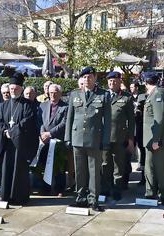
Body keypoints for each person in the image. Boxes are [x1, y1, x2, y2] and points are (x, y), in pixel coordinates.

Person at [64, 66, 111, 211]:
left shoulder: (103, 95)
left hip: (94, 139)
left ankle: (93, 199)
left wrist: (105, 140)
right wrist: (67, 137)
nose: (87, 79)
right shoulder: (74, 94)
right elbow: (69, 118)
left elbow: (107, 121)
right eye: (84, 77)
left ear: (95, 78)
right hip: (77, 137)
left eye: (90, 77)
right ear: (81, 79)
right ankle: (80, 197)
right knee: (79, 170)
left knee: (94, 171)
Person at [0, 73, 38, 205]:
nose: (13, 91)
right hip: (6, 144)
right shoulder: (1, 106)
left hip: (20, 145)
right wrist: (5, 132)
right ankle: (5, 195)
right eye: (11, 89)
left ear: (21, 89)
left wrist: (12, 132)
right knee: (6, 169)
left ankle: (19, 197)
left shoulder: (28, 105)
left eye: (16, 88)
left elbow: (27, 122)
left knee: (20, 171)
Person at [101, 72, 135, 201]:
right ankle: (105, 188)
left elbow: (131, 121)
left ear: (119, 82)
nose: (112, 83)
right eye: (110, 81)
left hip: (120, 137)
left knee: (118, 165)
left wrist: (131, 139)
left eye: (114, 81)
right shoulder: (103, 96)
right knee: (105, 164)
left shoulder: (126, 97)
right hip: (104, 137)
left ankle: (117, 189)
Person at [142, 72, 164, 206]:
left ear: (146, 81)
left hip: (155, 139)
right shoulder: (154, 93)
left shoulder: (158, 93)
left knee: (159, 168)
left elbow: (159, 119)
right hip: (150, 139)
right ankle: (150, 193)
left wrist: (156, 140)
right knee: (149, 167)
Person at [37, 84, 68, 196]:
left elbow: (64, 123)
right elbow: (40, 121)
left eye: (55, 92)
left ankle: (59, 189)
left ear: (60, 93)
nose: (53, 95)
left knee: (59, 166)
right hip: (44, 140)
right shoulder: (42, 105)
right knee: (44, 164)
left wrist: (50, 133)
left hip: (57, 140)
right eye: (51, 93)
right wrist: (42, 133)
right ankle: (45, 188)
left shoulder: (65, 107)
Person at [130, 80, 146, 184]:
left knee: (142, 149)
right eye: (130, 87)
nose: (131, 88)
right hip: (131, 127)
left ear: (137, 87)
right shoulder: (128, 97)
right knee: (129, 149)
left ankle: (143, 176)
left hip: (140, 127)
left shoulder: (143, 97)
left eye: (133, 87)